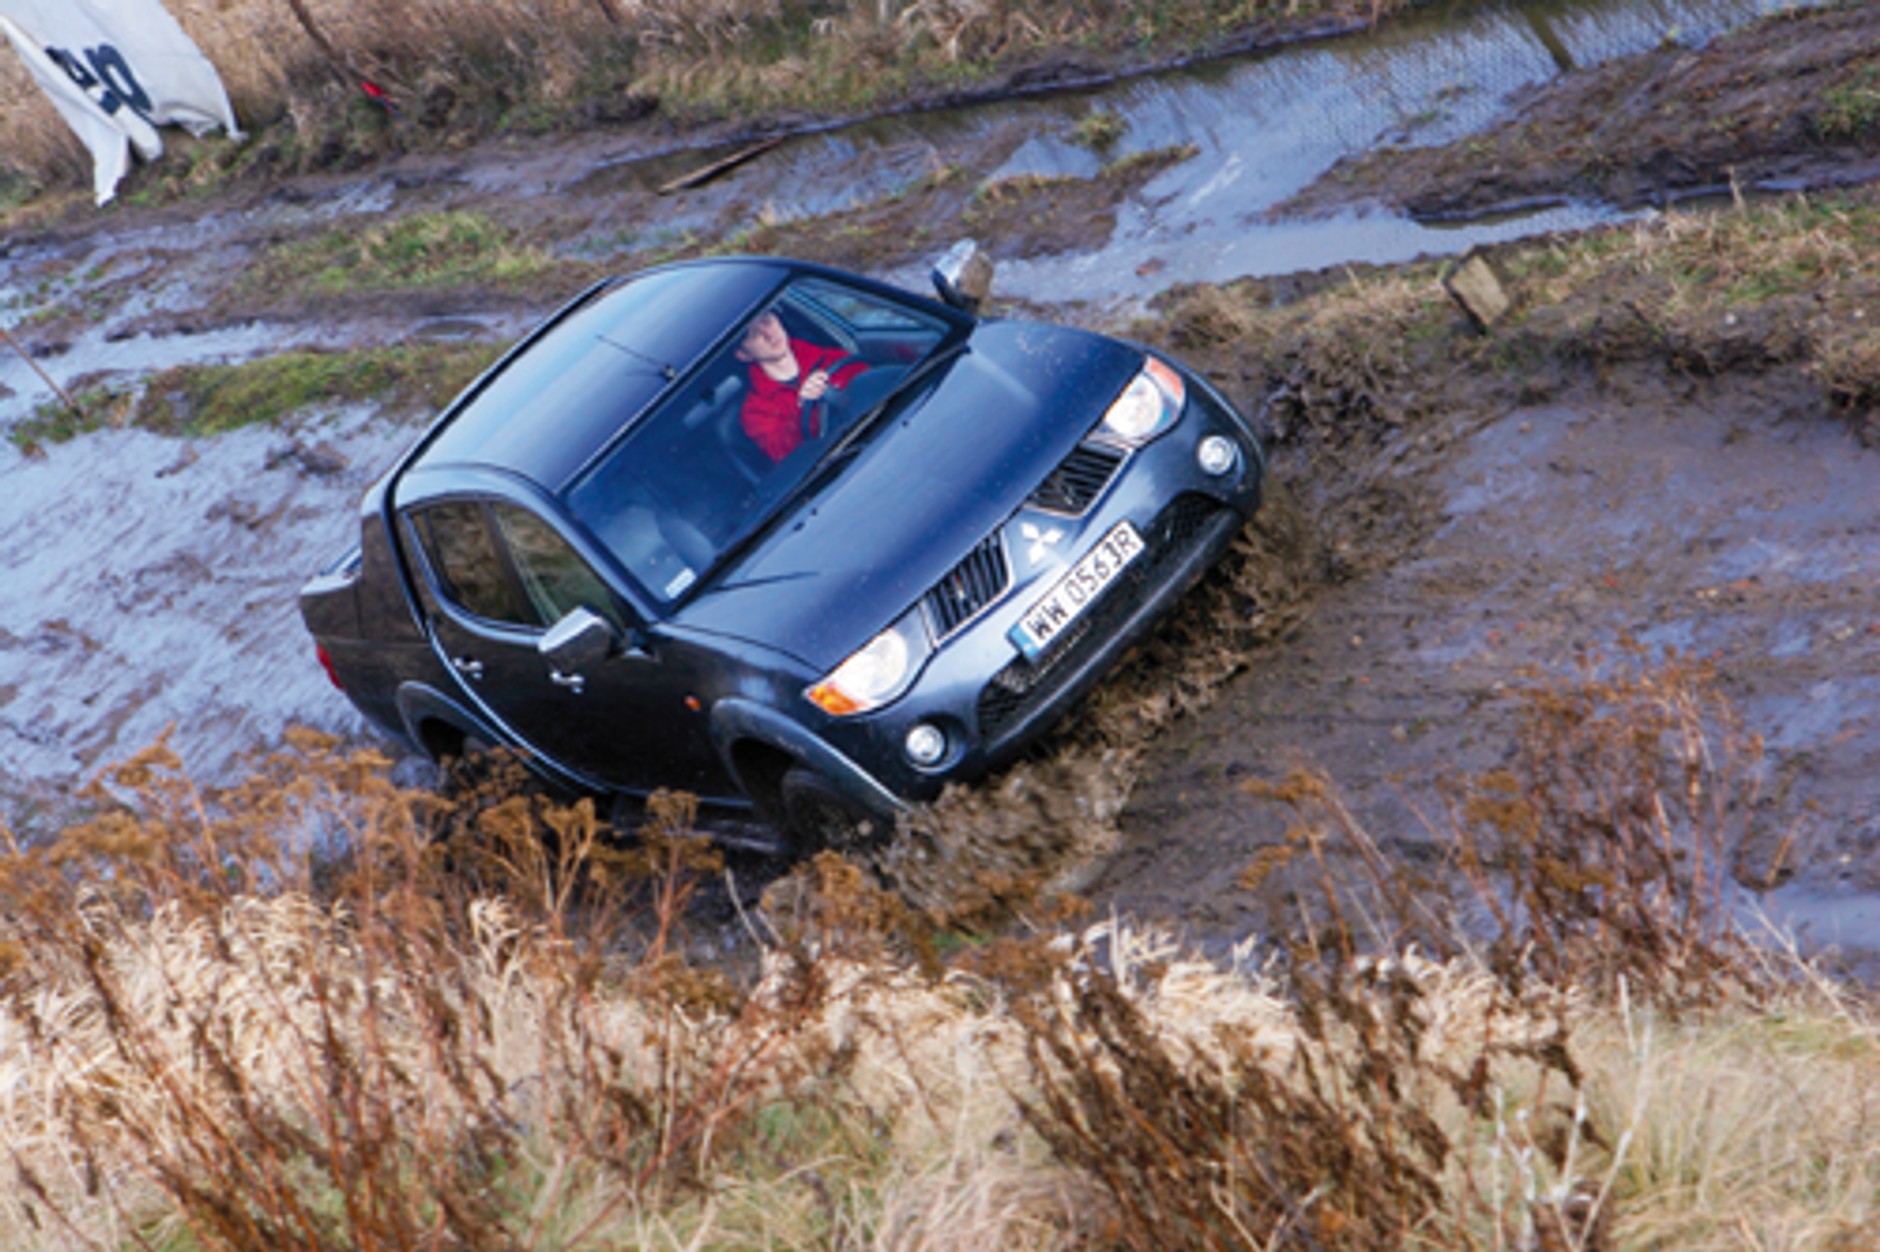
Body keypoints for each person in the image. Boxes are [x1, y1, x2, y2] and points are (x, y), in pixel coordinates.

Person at [736, 309, 867, 463]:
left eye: (767, 321)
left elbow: (874, 386)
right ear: (743, 355)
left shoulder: (834, 357)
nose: (768, 334)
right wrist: (802, 409)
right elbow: (787, 456)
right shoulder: (754, 411)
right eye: (754, 334)